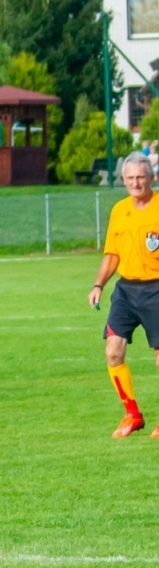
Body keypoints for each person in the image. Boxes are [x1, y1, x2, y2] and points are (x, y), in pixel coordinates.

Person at [88, 151, 159, 438]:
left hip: (157, 289)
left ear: (152, 178)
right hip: (127, 291)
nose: (135, 182)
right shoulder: (119, 211)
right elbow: (112, 255)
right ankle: (132, 414)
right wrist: (98, 285)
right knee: (113, 352)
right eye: (130, 178)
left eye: (141, 177)